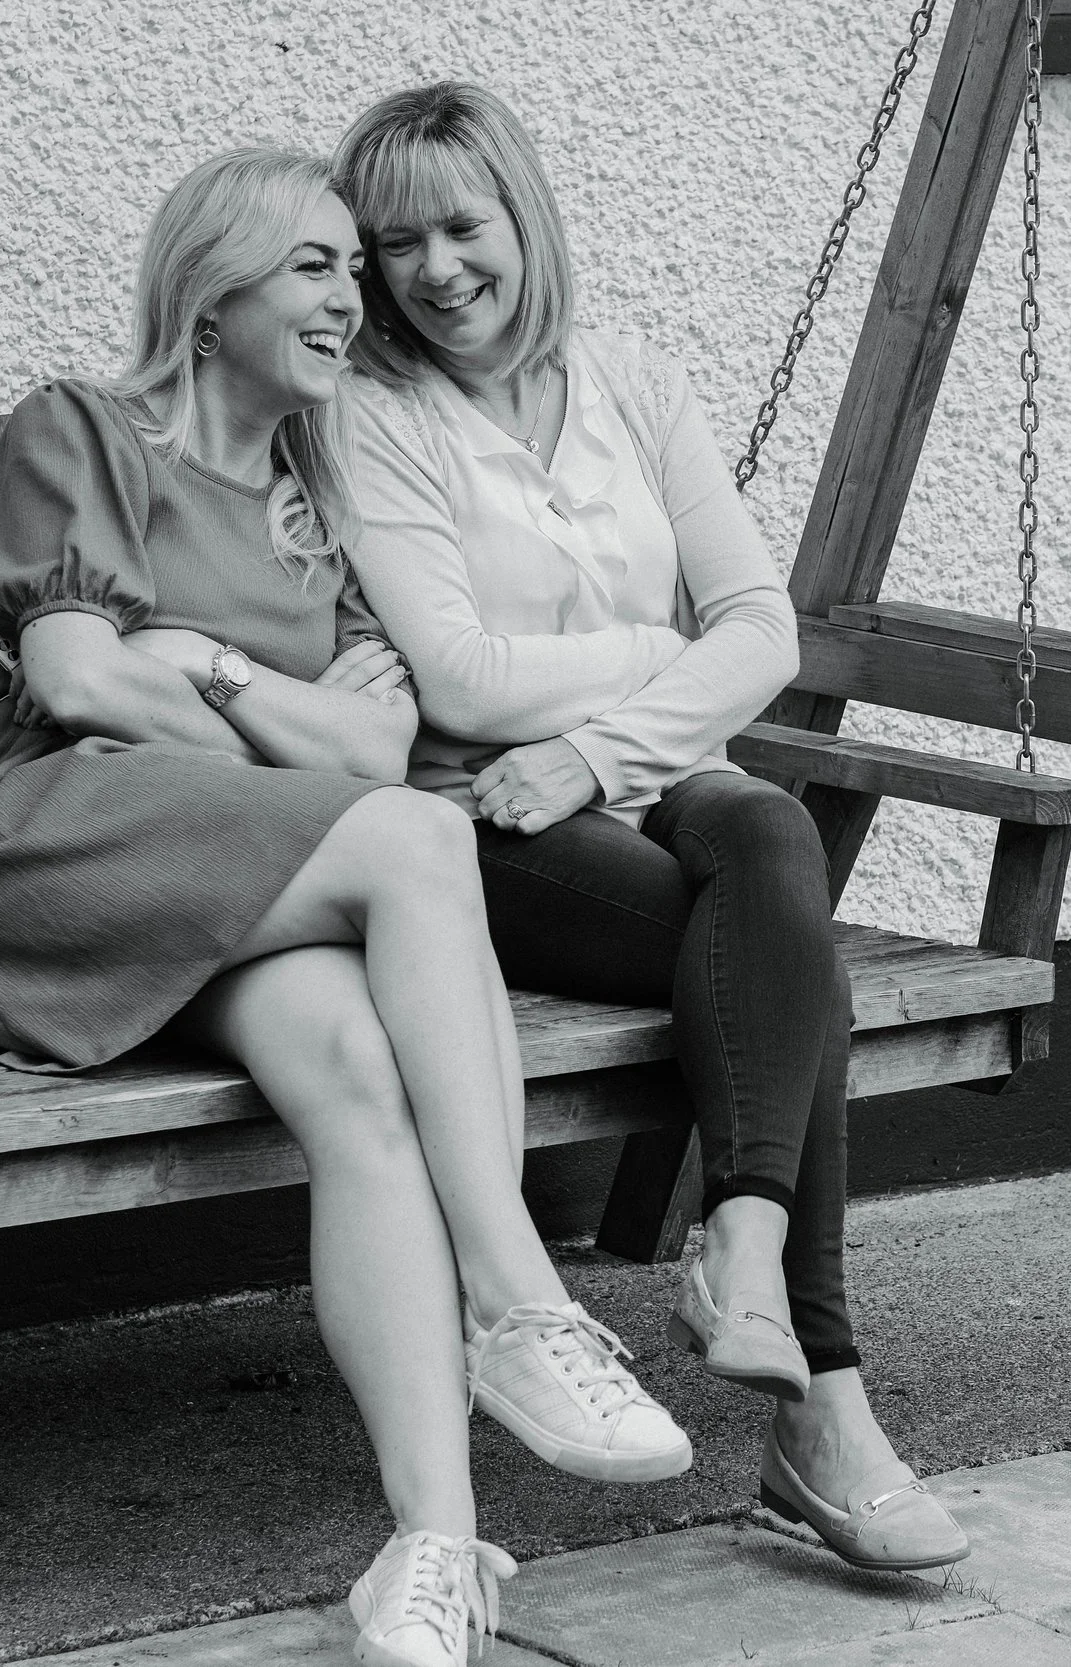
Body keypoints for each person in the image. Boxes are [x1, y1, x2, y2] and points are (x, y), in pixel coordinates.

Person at [0, 147, 690, 1665]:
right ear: (213, 296)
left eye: (357, 266)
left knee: (354, 1077)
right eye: (319, 267)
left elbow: (370, 743)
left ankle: (436, 1543)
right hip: (57, 851)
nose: (361, 299)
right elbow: (74, 682)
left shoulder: (306, 508)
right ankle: (521, 1301)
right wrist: (252, 696)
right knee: (413, 846)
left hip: (224, 873)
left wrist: (195, 673)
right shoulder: (82, 429)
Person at [330, 83, 969, 1574]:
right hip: (465, 817)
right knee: (792, 969)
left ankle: (744, 1236)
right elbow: (463, 682)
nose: (434, 269)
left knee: (766, 840)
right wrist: (646, 659)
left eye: (463, 225)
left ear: (523, 220)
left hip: (631, 782)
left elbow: (768, 627)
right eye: (394, 244)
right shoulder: (374, 418)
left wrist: (601, 744)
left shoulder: (631, 378)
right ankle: (826, 1415)